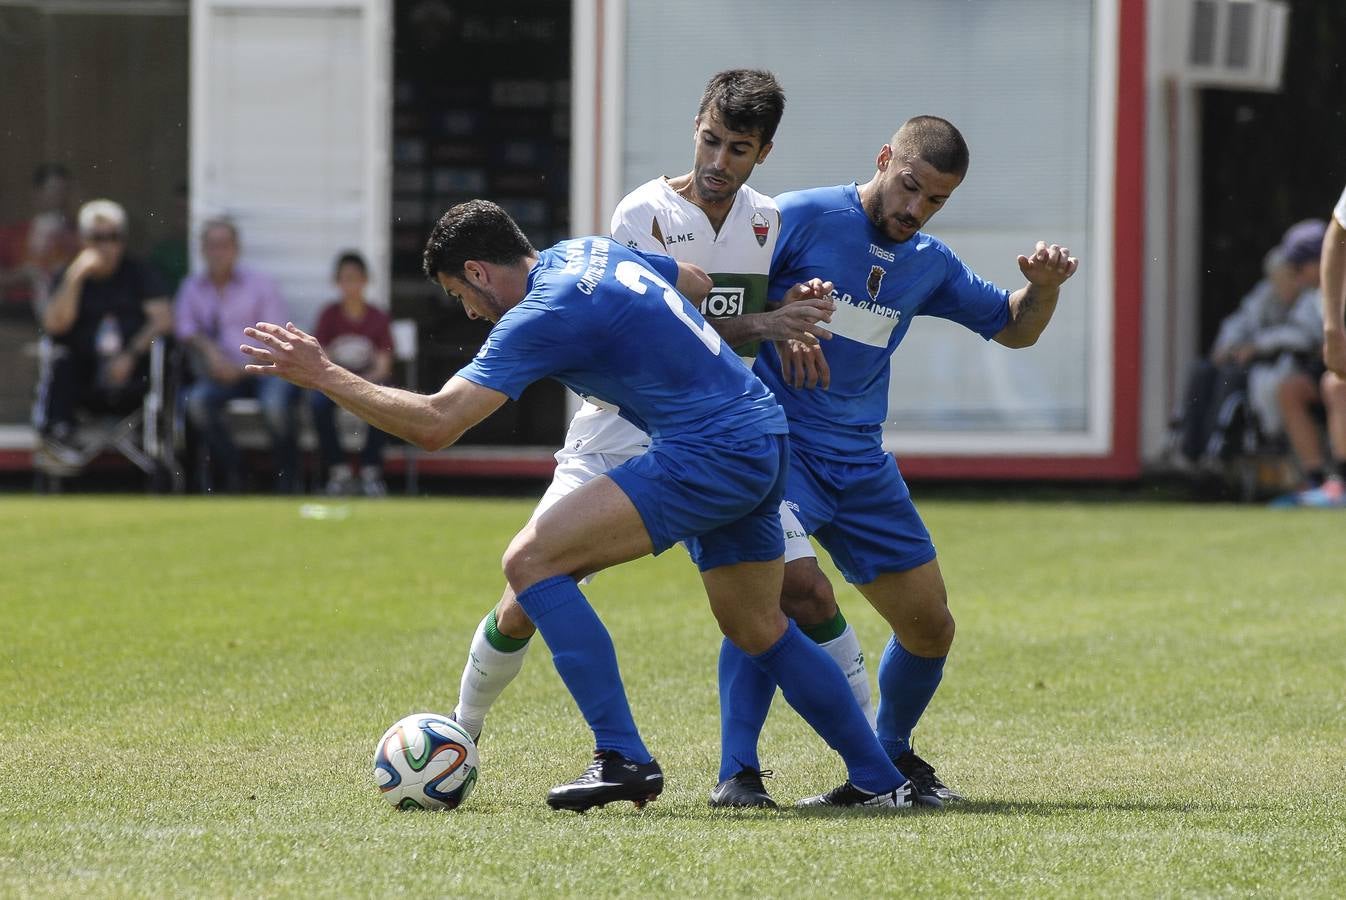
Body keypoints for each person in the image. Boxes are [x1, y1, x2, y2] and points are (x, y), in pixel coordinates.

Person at [241, 199, 920, 812]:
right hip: (761, 430)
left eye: (460, 296)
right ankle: (878, 779)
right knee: (758, 626)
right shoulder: (588, 250)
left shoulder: (543, 311)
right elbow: (692, 279)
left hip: (710, 448)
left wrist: (322, 373)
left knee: (531, 561)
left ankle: (623, 758)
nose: (471, 314)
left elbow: (436, 424)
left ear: (479, 271)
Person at [441, 69, 868, 810]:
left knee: (800, 588)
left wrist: (798, 308)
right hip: (617, 429)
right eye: (710, 139)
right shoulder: (641, 211)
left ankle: (854, 762)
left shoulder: (766, 220)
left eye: (738, 148)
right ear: (694, 126)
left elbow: (725, 310)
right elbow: (660, 329)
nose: (718, 160)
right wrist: (766, 325)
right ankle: (458, 736)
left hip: (711, 435)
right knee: (531, 589)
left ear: (762, 153)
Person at [718, 116, 1079, 808]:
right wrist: (777, 313)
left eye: (936, 200)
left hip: (860, 464)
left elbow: (1013, 328)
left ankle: (883, 759)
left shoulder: (928, 263)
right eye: (910, 186)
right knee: (780, 596)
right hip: (779, 451)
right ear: (885, 158)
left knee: (930, 626)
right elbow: (717, 304)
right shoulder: (794, 216)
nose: (916, 209)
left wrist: (1045, 288)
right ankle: (739, 773)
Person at [32, 199, 172, 471]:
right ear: (83, 240)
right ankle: (58, 440)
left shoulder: (138, 273)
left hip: (132, 375)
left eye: (113, 237)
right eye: (97, 238)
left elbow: (163, 320)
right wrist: (76, 275)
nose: (105, 246)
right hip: (83, 377)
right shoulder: (70, 274)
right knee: (60, 359)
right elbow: (55, 325)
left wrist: (130, 354)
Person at [175, 218, 302, 493]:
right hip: (219, 373)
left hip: (265, 368)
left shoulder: (261, 285)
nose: (218, 252)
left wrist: (242, 366)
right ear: (203, 250)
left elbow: (276, 337)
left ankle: (287, 478)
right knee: (196, 403)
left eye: (224, 245)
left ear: (236, 249)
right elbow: (185, 329)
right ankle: (237, 471)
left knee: (275, 406)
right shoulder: (192, 287)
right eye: (212, 245)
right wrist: (209, 351)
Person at [1174, 236, 1321, 471]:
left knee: (1230, 379)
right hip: (1248, 362)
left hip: (1278, 367)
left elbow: (1304, 335)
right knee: (1202, 370)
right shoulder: (1266, 294)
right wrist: (1227, 346)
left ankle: (1218, 448)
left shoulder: (1310, 297)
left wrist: (1257, 346)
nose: (1280, 284)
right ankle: (1190, 448)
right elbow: (1238, 322)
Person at [308, 251, 395, 497]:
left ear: (365, 280)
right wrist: (341, 383)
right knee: (317, 404)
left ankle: (371, 470)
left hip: (368, 382)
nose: (351, 285)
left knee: (385, 401)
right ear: (337, 282)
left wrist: (358, 384)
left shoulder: (378, 317)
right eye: (345, 279)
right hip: (335, 384)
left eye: (355, 278)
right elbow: (321, 358)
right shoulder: (329, 315)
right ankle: (338, 470)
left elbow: (383, 366)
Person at [0, 163, 80, 312]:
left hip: (62, 308)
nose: (59, 198)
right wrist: (20, 275)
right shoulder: (12, 234)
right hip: (18, 310)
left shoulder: (78, 235)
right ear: (37, 192)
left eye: (64, 191)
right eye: (53, 190)